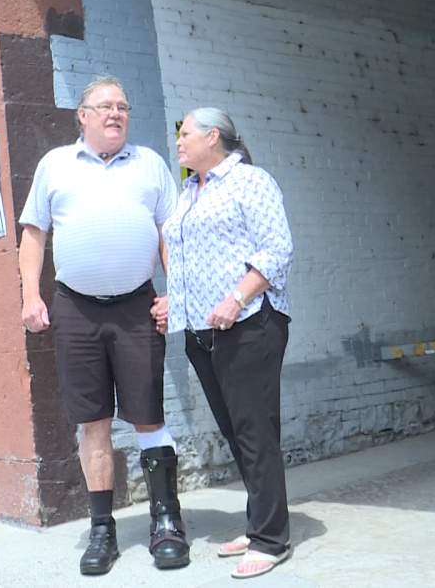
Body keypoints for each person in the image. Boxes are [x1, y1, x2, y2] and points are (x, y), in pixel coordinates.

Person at [19, 75, 186, 575]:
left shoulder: (152, 164)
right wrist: (30, 295)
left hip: (137, 307)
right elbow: (33, 235)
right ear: (83, 116)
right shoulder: (55, 165)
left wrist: (175, 292)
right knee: (92, 421)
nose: (116, 113)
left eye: (123, 106)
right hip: (76, 309)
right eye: (105, 106)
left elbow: (170, 235)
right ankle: (102, 530)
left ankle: (166, 521)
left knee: (148, 415)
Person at [152, 107, 295, 579]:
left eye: (185, 133)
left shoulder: (251, 182)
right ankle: (260, 524)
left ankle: (273, 539)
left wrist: (235, 298)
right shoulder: (190, 191)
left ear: (213, 137)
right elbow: (185, 252)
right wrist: (177, 299)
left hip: (250, 323)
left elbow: (276, 249)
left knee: (255, 430)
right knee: (236, 431)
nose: (179, 141)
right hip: (201, 331)